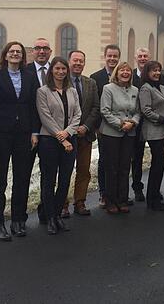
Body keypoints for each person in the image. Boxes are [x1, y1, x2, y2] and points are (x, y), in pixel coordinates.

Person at [0, 41, 37, 241]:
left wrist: (35, 132)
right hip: (1, 133)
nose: (15, 54)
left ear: (23, 56)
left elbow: (34, 106)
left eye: (18, 51)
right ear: (5, 55)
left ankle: (18, 220)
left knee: (22, 178)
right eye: (12, 51)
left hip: (24, 133)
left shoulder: (30, 76)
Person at [36, 57, 81, 234]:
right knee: (49, 180)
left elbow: (78, 114)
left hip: (70, 139)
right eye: (57, 68)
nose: (61, 72)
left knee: (64, 180)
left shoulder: (72, 91)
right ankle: (49, 218)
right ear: (51, 71)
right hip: (49, 141)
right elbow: (45, 116)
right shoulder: (43, 91)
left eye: (63, 69)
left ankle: (57, 215)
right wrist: (61, 138)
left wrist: (68, 133)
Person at [99, 61, 141, 214]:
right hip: (112, 133)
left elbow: (138, 111)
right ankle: (110, 201)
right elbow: (105, 111)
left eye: (128, 70)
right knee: (112, 168)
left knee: (124, 167)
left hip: (129, 133)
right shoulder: (108, 88)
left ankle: (122, 200)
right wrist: (121, 124)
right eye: (122, 70)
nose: (125, 73)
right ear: (116, 73)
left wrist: (133, 123)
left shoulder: (135, 90)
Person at [63, 50, 100, 217]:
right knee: (65, 171)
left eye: (81, 61)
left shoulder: (90, 83)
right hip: (66, 135)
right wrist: (70, 129)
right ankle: (63, 204)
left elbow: (95, 107)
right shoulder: (61, 81)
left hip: (85, 135)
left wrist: (86, 126)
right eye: (75, 60)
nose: (78, 63)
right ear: (69, 62)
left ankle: (80, 202)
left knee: (84, 170)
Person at [138, 61, 164, 211]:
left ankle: (155, 194)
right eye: (153, 70)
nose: (157, 73)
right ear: (147, 72)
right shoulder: (145, 88)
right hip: (153, 131)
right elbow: (146, 111)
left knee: (160, 164)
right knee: (157, 164)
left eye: (158, 70)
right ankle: (151, 200)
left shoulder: (161, 87)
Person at [90, 44, 122, 207]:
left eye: (115, 56)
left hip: (122, 128)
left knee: (120, 162)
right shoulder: (96, 77)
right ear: (105, 56)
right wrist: (96, 127)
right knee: (104, 161)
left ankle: (118, 194)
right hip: (103, 127)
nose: (112, 59)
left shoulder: (124, 76)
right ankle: (104, 193)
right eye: (110, 56)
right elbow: (95, 104)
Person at [25, 37, 52, 223]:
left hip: (51, 132)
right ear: (33, 51)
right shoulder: (24, 71)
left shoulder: (58, 70)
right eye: (38, 48)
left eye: (45, 48)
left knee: (49, 175)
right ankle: (20, 217)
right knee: (24, 175)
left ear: (50, 52)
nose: (41, 51)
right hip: (29, 132)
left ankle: (46, 212)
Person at [131, 47, 159, 203]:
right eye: (140, 56)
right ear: (136, 58)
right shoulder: (130, 76)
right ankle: (137, 188)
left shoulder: (157, 77)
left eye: (145, 56)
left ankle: (154, 190)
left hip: (154, 123)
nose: (142, 58)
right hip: (137, 124)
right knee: (137, 157)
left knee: (157, 157)